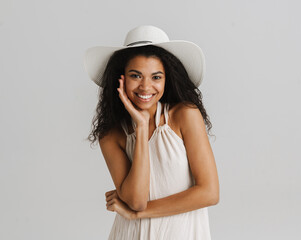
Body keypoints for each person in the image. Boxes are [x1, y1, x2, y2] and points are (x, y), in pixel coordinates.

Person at [85, 25, 219, 240]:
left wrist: (137, 214)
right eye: (136, 76)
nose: (146, 87)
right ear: (121, 79)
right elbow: (136, 199)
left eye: (156, 77)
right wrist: (140, 126)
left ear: (167, 79)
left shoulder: (184, 115)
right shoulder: (111, 135)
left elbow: (209, 193)